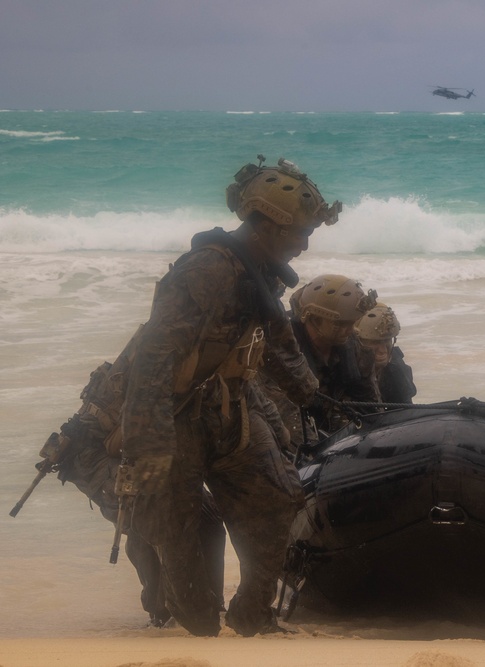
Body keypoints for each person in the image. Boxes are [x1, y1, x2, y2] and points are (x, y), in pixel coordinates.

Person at [120, 156, 339, 637]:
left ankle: (252, 612)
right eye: (299, 234)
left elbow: (277, 341)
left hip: (228, 411)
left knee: (282, 497)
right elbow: (153, 359)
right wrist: (150, 447)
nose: (304, 246)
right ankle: (194, 620)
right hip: (177, 420)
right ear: (269, 227)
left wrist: (309, 391)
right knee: (177, 532)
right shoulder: (206, 271)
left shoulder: (258, 274)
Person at [32, 327, 225, 628]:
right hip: (93, 454)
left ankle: (209, 602)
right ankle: (161, 611)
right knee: (147, 516)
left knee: (209, 518)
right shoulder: (161, 350)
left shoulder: (199, 349)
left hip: (131, 446)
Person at [260, 274, 378, 454]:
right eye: (341, 323)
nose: (350, 329)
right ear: (313, 318)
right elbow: (285, 414)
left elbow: (370, 403)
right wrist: (320, 455)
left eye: (353, 322)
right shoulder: (281, 351)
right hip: (290, 433)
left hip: (335, 430)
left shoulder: (353, 347)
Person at [355, 302, 417, 404]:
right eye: (375, 342)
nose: (382, 350)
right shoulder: (345, 369)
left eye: (387, 341)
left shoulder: (395, 369)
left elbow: (407, 411)